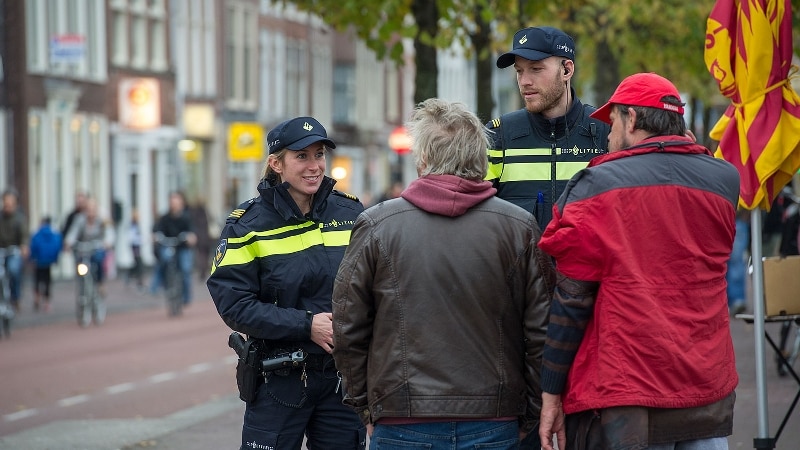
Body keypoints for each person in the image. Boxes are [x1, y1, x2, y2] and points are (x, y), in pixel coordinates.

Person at [331, 99, 555, 449]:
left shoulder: (377, 226)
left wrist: (367, 407)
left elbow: (347, 328)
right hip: (494, 420)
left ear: (423, 160)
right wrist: (529, 410)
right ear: (479, 158)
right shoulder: (519, 228)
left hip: (401, 417)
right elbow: (541, 332)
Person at [537, 73, 739, 450]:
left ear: (631, 120)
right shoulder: (724, 179)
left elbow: (572, 300)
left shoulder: (598, 184)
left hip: (629, 389)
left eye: (611, 123)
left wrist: (551, 390)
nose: (608, 137)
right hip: (706, 382)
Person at [207, 116, 367, 450]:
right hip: (278, 380)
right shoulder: (246, 225)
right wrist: (307, 326)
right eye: (302, 156)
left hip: (341, 379)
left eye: (319, 154)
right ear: (276, 163)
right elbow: (235, 305)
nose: (314, 166)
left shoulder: (351, 214)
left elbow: (372, 287)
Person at [487, 26, 610, 229]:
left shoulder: (607, 132)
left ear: (567, 70)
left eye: (536, 69)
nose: (524, 81)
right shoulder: (498, 137)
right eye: (519, 71)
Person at [151, 191, 196, 305]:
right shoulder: (165, 218)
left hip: (182, 247)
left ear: (181, 203)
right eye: (172, 202)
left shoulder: (186, 217)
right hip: (169, 245)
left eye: (176, 202)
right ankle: (164, 286)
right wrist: (156, 236)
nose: (174, 204)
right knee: (164, 260)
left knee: (185, 269)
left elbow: (192, 232)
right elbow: (157, 229)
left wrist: (191, 237)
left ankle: (186, 296)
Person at [64, 197, 115, 297]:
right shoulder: (80, 219)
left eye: (93, 209)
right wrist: (68, 242)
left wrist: (107, 242)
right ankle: (82, 288)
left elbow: (109, 232)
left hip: (97, 248)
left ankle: (100, 283)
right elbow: (73, 232)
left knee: (98, 260)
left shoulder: (102, 220)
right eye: (88, 209)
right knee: (80, 265)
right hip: (83, 249)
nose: (90, 212)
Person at [0, 189, 29, 312]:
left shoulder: (19, 218)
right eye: (6, 203)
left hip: (14, 250)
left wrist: (23, 246)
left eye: (10, 204)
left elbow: (24, 235)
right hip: (1, 250)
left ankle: (15, 297)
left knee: (13, 270)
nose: (8, 207)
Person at [29, 216, 62, 312]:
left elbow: (33, 246)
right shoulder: (54, 234)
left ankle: (37, 297)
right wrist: (55, 259)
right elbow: (57, 246)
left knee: (37, 279)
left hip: (38, 261)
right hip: (48, 262)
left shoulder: (37, 234)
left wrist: (31, 258)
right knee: (47, 281)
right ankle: (47, 302)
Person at [125, 208, 145, 292]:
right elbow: (132, 237)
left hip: (137, 246)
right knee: (139, 264)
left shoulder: (137, 224)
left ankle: (129, 276)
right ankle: (139, 283)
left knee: (137, 264)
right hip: (135, 247)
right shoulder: (132, 225)